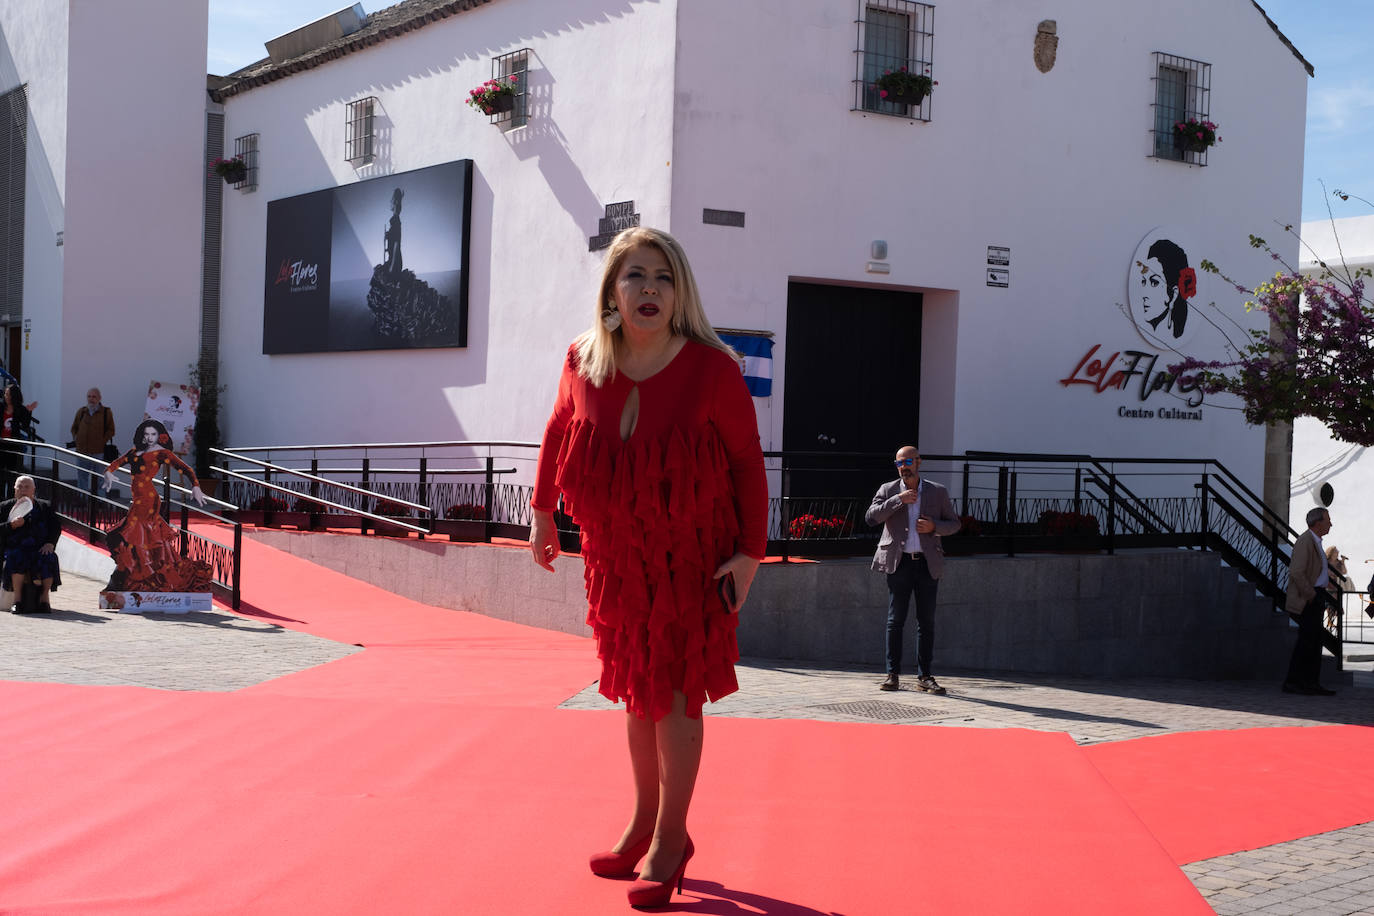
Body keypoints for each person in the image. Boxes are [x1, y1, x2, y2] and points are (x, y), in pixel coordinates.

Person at [528, 226, 766, 909]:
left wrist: (750, 553)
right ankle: (641, 823)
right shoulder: (584, 359)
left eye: (662, 277)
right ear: (613, 291)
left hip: (695, 559)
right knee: (636, 692)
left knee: (679, 695)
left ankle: (671, 837)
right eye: (635, 276)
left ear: (679, 291)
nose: (650, 289)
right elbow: (555, 431)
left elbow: (749, 464)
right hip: (618, 560)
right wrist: (543, 514)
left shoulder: (712, 369)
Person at [866, 445, 961, 694]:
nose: (904, 468)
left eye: (908, 462)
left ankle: (925, 676)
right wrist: (899, 499)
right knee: (895, 620)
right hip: (899, 563)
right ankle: (892, 675)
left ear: (919, 462)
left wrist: (934, 526)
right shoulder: (888, 490)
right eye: (899, 464)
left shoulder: (937, 491)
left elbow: (954, 524)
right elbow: (871, 517)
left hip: (927, 562)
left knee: (926, 621)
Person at [102, 419, 209, 593]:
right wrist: (108, 473)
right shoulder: (134, 451)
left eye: (153, 434)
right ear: (142, 435)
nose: (150, 437)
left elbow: (186, 469)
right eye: (147, 434)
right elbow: (115, 464)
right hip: (138, 500)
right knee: (132, 540)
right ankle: (127, 581)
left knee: (132, 538)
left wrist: (195, 486)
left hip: (148, 500)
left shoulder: (161, 453)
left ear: (159, 435)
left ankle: (121, 581)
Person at [1283, 507, 1340, 696]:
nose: (1330, 523)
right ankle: (1294, 682)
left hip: (1317, 595)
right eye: (1327, 520)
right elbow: (1297, 572)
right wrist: (1311, 595)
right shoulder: (1305, 541)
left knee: (1314, 642)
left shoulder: (1315, 541)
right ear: (1317, 523)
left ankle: (1310, 682)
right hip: (1309, 597)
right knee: (1307, 642)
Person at [0, 475, 61, 613]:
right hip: (14, 547)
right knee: (16, 556)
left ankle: (44, 600)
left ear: (33, 490)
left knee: (49, 557)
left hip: (38, 547)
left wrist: (50, 543)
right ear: (14, 490)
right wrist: (11, 526)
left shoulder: (44, 507)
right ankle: (17, 601)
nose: (23, 490)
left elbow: (55, 527)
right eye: (19, 487)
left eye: (27, 487)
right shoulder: (5, 507)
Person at [70, 388, 116, 492]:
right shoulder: (82, 411)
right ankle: (83, 501)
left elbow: (111, 430)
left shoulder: (106, 412)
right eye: (89, 396)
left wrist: (102, 441)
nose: (91, 399)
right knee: (82, 479)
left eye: (94, 397)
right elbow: (74, 428)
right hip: (82, 452)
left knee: (100, 479)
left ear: (99, 398)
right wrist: (77, 439)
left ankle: (100, 502)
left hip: (98, 452)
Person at [1323, 545, 1349, 630]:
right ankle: (1330, 621)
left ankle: (1338, 623)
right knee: (1329, 605)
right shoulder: (1325, 561)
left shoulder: (1338, 562)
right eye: (1336, 551)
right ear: (1331, 553)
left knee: (1337, 604)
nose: (1337, 553)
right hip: (1327, 585)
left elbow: (1344, 572)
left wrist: (1343, 562)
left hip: (1336, 586)